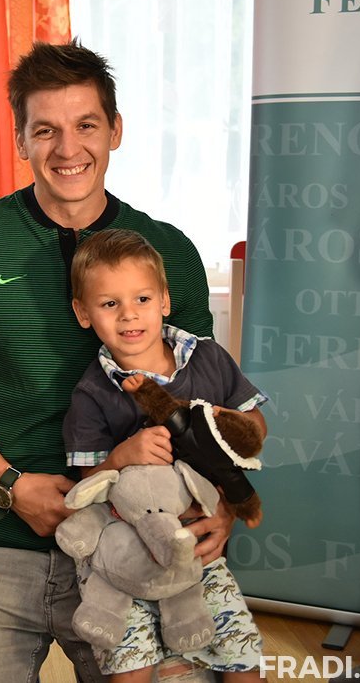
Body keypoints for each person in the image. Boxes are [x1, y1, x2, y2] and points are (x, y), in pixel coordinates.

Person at [0, 39, 225, 683]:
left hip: (136, 538)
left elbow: (204, 402)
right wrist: (11, 485)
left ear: (116, 131)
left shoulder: (169, 252)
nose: (67, 148)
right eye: (45, 129)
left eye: (86, 126)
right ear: (21, 139)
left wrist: (222, 504)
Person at [64, 228, 267, 682]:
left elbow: (256, 427)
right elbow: (85, 486)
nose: (129, 314)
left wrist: (224, 425)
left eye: (142, 299)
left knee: (241, 654)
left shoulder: (209, 360)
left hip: (197, 547)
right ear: (83, 313)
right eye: (109, 303)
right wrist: (121, 457)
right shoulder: (92, 392)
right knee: (129, 664)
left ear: (164, 301)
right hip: (126, 555)